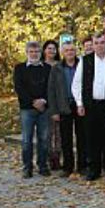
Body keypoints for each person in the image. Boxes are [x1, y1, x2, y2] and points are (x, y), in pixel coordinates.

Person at [72, 33, 105, 181]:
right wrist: (79, 103)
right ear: (92, 44)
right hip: (91, 105)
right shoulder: (85, 60)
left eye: (102, 42)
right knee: (92, 138)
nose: (99, 45)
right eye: (96, 43)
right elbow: (77, 84)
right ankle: (94, 170)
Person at [14, 41, 52, 178]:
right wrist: (32, 102)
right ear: (27, 53)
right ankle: (27, 167)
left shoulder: (48, 68)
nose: (34, 54)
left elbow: (50, 87)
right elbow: (19, 88)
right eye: (31, 52)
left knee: (44, 139)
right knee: (26, 140)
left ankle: (42, 166)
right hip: (27, 109)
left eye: (37, 52)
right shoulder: (19, 68)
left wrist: (44, 100)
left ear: (40, 53)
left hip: (44, 108)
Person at [48, 42, 86, 177]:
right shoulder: (57, 68)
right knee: (66, 138)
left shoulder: (82, 65)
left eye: (72, 50)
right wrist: (54, 111)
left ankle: (82, 166)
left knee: (82, 137)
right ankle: (68, 167)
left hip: (80, 104)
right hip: (64, 105)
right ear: (62, 53)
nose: (70, 52)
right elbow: (51, 91)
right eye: (67, 50)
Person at [42, 40, 62, 170]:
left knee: (59, 133)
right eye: (49, 48)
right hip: (45, 103)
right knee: (48, 133)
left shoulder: (60, 65)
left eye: (54, 49)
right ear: (44, 50)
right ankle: (49, 158)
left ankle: (58, 157)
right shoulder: (41, 66)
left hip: (59, 102)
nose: (51, 51)